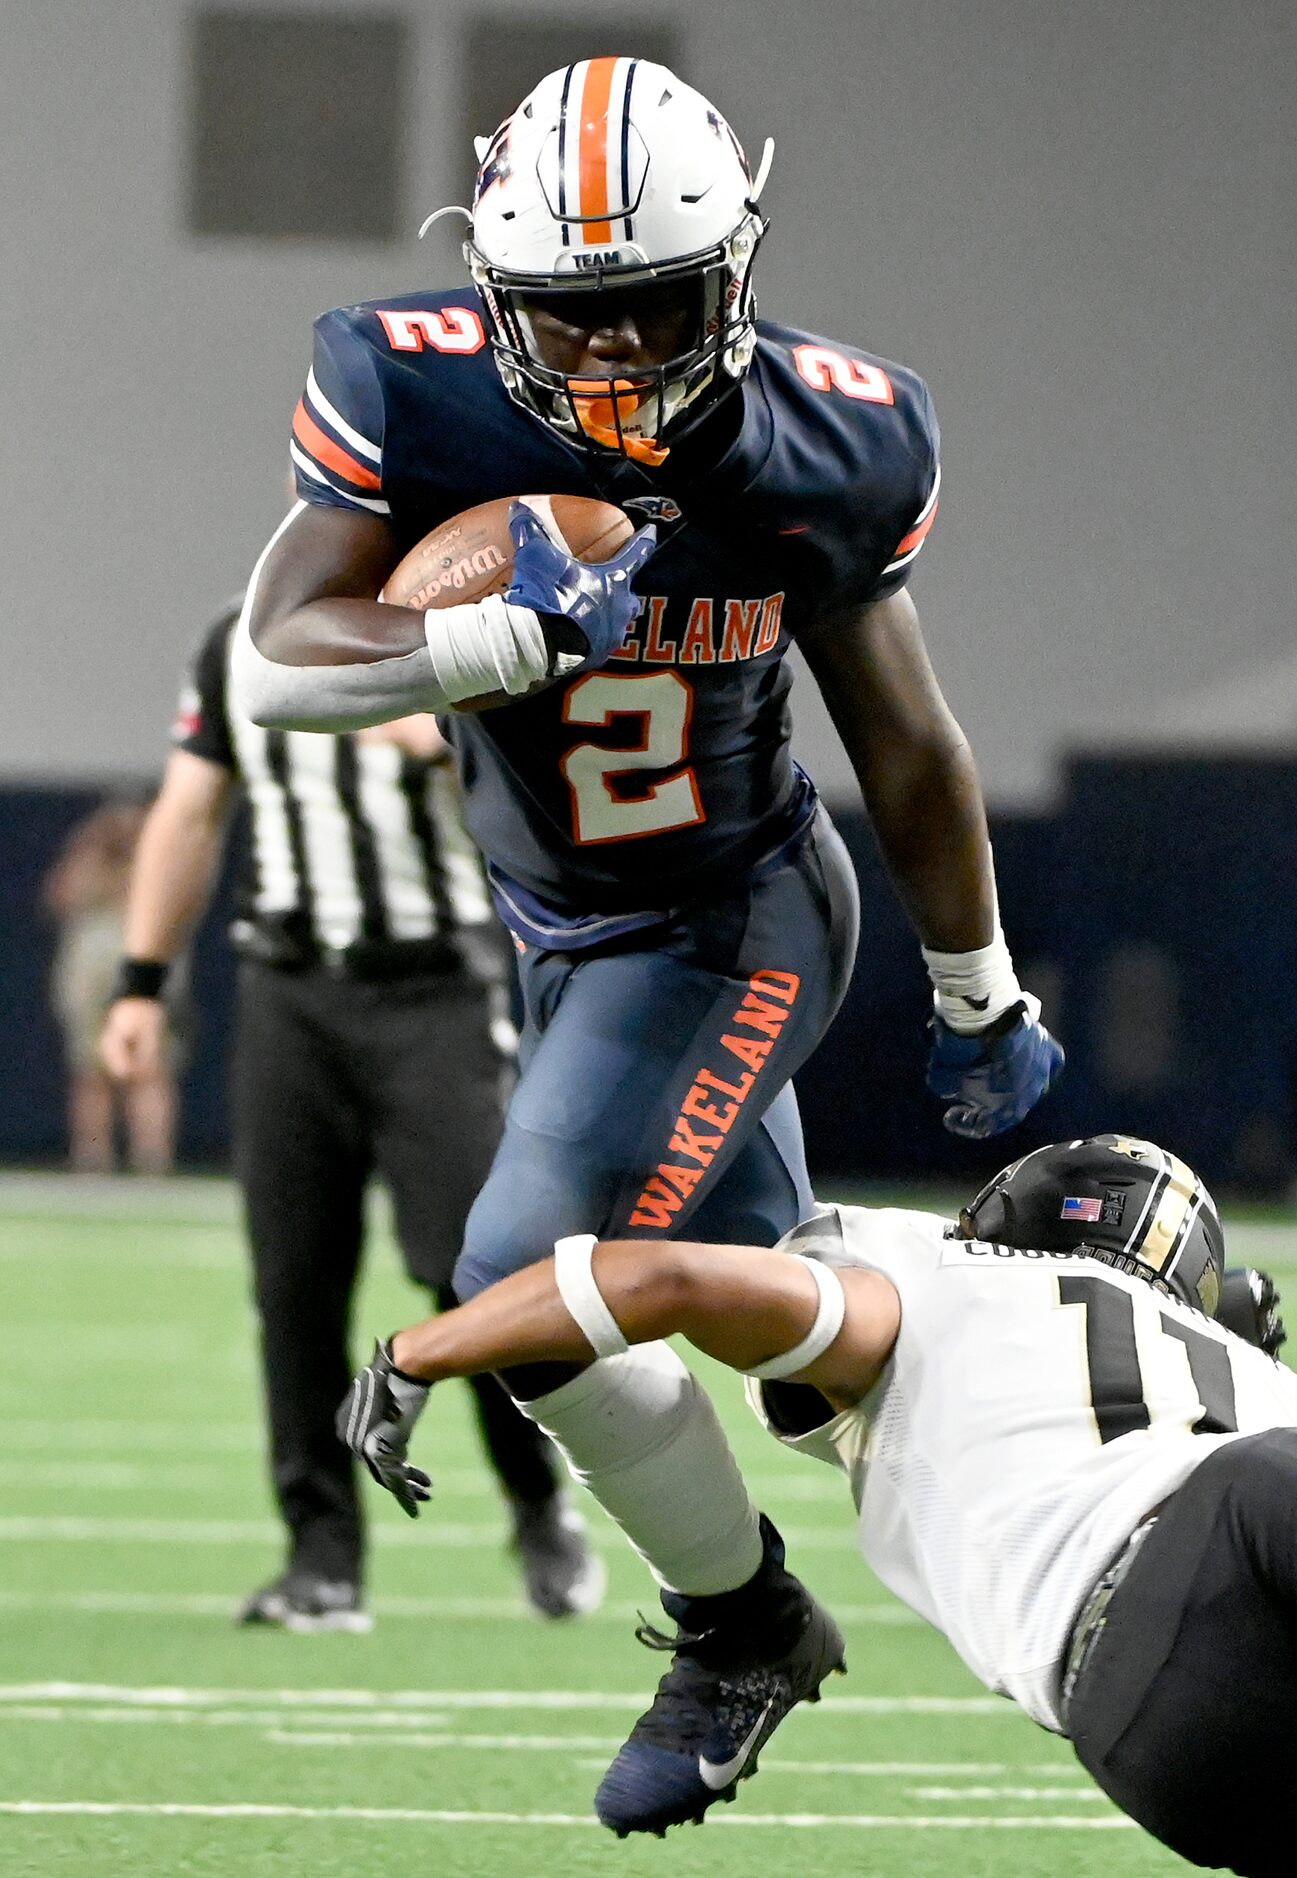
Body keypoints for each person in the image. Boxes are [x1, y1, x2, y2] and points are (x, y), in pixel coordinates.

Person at [233, 56, 1063, 1829]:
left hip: (729, 909)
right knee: (804, 1326)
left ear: (736, 271)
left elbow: (903, 736)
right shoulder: (410, 384)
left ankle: (739, 1622)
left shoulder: (833, 437)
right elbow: (272, 659)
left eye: (652, 310)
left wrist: (977, 982)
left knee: (525, 1285)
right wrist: (473, 642)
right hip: (553, 924)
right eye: (572, 319)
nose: (610, 361)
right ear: (496, 290)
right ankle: (1105, 1310)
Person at [340, 1134, 1291, 1873]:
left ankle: (736, 1616)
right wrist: (415, 1353)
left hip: (1143, 1739)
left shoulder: (953, 1282)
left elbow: (654, 1284)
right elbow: (669, 1279)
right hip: (1225, 1539)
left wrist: (423, 1348)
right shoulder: (966, 1286)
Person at [101, 596, 602, 1628]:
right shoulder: (233, 642)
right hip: (288, 994)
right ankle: (320, 1561)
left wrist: (442, 732)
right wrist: (142, 980)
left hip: (434, 991)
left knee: (476, 1269)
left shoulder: (459, 635)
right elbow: (188, 811)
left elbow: (557, 809)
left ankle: (538, 1501)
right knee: (293, 1286)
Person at [45, 796, 180, 1173]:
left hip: (142, 961)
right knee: (92, 1070)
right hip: (96, 964)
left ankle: (151, 1157)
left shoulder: (154, 862)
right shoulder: (90, 863)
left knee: (150, 1066)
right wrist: (92, 847)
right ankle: (93, 1156)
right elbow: (61, 898)